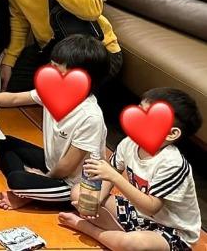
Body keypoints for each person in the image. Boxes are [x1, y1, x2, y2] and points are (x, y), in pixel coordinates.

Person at [0, 35, 109, 211]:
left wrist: (45, 177)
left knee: (17, 180)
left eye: (56, 69)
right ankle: (33, 188)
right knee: (5, 143)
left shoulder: (90, 117)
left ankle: (28, 193)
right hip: (52, 163)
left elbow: (67, 166)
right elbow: (15, 98)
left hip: (72, 183)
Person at [60, 87, 202, 251]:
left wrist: (115, 177)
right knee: (79, 192)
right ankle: (117, 237)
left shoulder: (172, 163)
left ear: (171, 134)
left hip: (172, 231)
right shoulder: (129, 143)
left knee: (133, 244)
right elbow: (108, 178)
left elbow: (151, 207)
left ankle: (90, 230)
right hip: (137, 215)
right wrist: (95, 201)